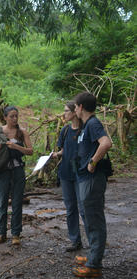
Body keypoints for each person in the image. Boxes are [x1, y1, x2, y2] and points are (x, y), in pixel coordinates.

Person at [72, 92, 112, 278]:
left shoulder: (93, 123)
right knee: (88, 217)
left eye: (75, 106)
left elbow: (106, 143)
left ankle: (94, 265)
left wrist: (93, 162)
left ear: (80, 107)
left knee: (94, 219)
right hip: (83, 179)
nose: (74, 110)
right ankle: (92, 255)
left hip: (92, 179)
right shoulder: (86, 125)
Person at [0, 106, 33, 245]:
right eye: (11, 116)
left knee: (17, 202)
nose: (15, 119)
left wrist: (16, 147)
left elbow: (30, 151)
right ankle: (1, 233)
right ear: (5, 117)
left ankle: (16, 234)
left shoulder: (22, 133)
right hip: (2, 171)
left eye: (16, 116)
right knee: (2, 202)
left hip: (18, 170)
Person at [52, 101, 87, 252]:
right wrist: (56, 154)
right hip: (66, 173)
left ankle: (93, 240)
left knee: (84, 208)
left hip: (81, 174)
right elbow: (63, 150)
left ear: (74, 112)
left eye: (66, 111)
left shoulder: (86, 129)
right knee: (70, 208)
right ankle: (75, 240)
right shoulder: (65, 130)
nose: (64, 114)